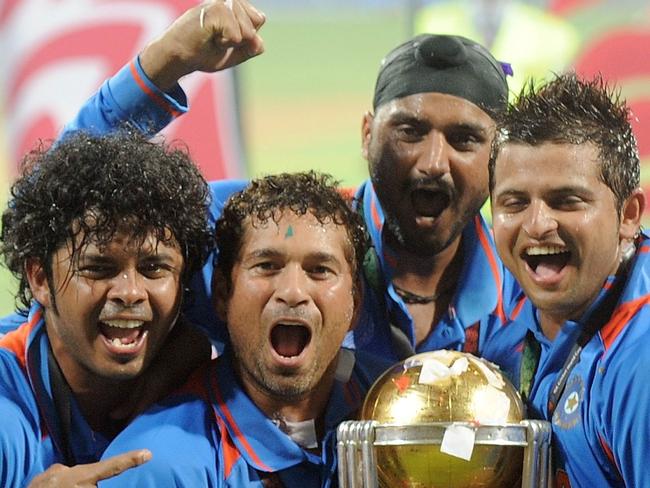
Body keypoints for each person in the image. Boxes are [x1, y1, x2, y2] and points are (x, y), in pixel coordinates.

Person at [50, 0, 523, 368]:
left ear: (497, 156)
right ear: (366, 135)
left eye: (464, 139)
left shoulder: (531, 291)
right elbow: (62, 196)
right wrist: (164, 61)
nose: (433, 162)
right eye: (410, 132)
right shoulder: (264, 231)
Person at [95, 171, 391, 486]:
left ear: (355, 303)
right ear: (222, 294)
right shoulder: (160, 468)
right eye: (267, 266)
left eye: (319, 270)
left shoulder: (401, 404)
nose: (292, 292)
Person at [0, 130, 214, 486]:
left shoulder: (208, 372)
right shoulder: (8, 406)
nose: (130, 292)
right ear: (40, 279)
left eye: (153, 268)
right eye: (98, 269)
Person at [489, 73, 648, 486]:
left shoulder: (639, 365)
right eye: (514, 203)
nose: (537, 224)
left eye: (566, 201)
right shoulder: (501, 315)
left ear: (628, 215)